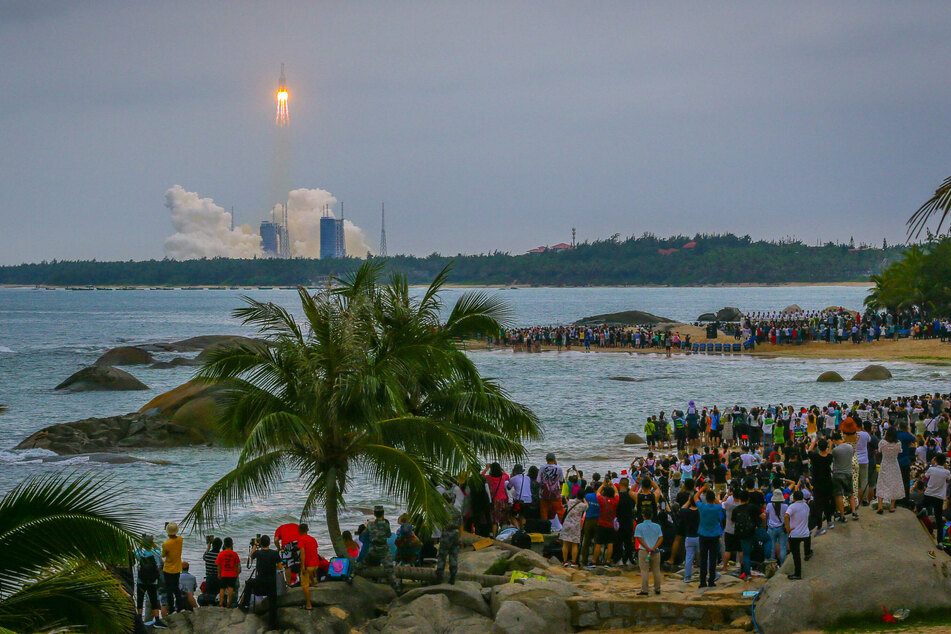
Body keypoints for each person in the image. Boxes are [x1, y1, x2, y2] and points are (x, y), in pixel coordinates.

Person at [357, 506, 399, 590]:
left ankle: (351, 576)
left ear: (374, 514)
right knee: (389, 569)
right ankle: (396, 588)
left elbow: (363, 536)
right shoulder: (385, 524)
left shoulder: (370, 525)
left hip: (373, 549)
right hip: (383, 549)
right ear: (383, 513)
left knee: (361, 565)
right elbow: (388, 535)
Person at [250, 534, 283, 629]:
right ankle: (272, 625)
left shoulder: (258, 553)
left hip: (260, 583)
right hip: (271, 582)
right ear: (269, 543)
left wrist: (255, 545)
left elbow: (251, 556)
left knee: (249, 583)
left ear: (261, 543)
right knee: (273, 603)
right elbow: (280, 567)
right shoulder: (274, 553)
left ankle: (245, 607)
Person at [135, 534, 167, 628]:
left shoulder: (140, 553)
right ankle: (157, 620)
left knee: (140, 599)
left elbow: (136, 553)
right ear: (152, 543)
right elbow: (158, 550)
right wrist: (152, 542)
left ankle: (140, 619)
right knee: (153, 599)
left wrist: (141, 544)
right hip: (153, 581)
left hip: (141, 580)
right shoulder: (156, 553)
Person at [696, 486, 723, 588]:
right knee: (713, 559)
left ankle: (702, 581)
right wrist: (713, 496)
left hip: (703, 535)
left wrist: (702, 489)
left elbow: (695, 497)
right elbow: (719, 503)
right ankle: (711, 580)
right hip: (715, 535)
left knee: (703, 559)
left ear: (706, 498)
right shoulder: (718, 508)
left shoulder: (702, 507)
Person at [434, 489, 463, 584]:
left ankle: (439, 576)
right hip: (456, 534)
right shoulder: (457, 511)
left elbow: (438, 523)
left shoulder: (443, 511)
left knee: (442, 555)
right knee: (453, 556)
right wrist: (460, 537)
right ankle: (453, 577)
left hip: (446, 534)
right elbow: (461, 525)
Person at [634, 509, 664, 596]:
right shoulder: (657, 526)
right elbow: (661, 537)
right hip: (655, 551)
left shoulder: (639, 526)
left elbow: (639, 538)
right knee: (656, 570)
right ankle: (657, 588)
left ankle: (645, 589)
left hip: (644, 550)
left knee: (644, 571)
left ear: (643, 515)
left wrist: (647, 547)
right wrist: (654, 547)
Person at [784, 489, 811, 580]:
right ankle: (807, 553)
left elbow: (786, 515)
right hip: (805, 533)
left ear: (794, 497)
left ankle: (797, 573)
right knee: (807, 541)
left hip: (794, 534)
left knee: (796, 555)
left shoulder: (792, 506)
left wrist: (787, 528)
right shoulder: (806, 506)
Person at [922, 454, 951, 542]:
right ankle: (940, 542)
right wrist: (945, 466)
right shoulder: (946, 472)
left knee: (922, 505)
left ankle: (922, 510)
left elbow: (925, 476)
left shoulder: (931, 469)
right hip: (939, 497)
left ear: (936, 461)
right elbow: (949, 478)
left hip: (929, 494)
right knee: (939, 519)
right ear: (944, 462)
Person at [877, 427, 905, 513]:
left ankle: (880, 506)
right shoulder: (898, 443)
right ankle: (892, 506)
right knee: (894, 484)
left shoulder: (882, 442)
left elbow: (879, 450)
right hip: (894, 465)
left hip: (885, 464)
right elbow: (900, 451)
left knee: (882, 483)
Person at [592, 482, 619, 567]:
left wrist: (603, 484)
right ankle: (607, 562)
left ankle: (593, 561)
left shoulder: (602, 500)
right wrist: (612, 484)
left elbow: (598, 493)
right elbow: (617, 493)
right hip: (611, 525)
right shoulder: (615, 501)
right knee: (610, 544)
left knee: (598, 543)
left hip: (601, 524)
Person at [161, 522, 185, 614]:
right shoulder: (180, 539)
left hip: (168, 569)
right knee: (176, 588)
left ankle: (171, 609)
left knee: (169, 590)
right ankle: (180, 607)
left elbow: (163, 555)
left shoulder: (166, 543)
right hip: (177, 567)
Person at [560, 488, 588, 568]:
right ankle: (573, 562)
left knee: (565, 543)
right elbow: (587, 506)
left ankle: (565, 561)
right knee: (574, 544)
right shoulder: (583, 505)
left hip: (567, 524)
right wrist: (584, 499)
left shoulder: (571, 501)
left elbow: (567, 502)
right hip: (575, 525)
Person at [297, 523, 321, 610]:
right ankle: (313, 582)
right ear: (307, 530)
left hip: (308, 566)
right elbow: (315, 551)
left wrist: (303, 566)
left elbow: (302, 553)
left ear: (299, 531)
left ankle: (308, 605)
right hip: (316, 565)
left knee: (304, 585)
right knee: (309, 572)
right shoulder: (313, 539)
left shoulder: (301, 539)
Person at [538, 453, 565, 522]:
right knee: (560, 510)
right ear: (554, 459)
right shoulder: (558, 468)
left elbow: (538, 481)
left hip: (544, 493)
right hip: (555, 493)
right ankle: (562, 524)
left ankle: (545, 525)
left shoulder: (542, 468)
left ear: (546, 459)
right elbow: (562, 480)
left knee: (544, 511)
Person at [215, 537, 241, 608]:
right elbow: (236, 565)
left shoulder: (221, 554)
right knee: (231, 589)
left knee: (222, 589)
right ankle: (229, 603)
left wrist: (219, 573)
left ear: (224, 545)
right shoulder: (234, 554)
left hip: (224, 574)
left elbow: (218, 565)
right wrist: (236, 573)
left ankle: (220, 603)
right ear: (232, 544)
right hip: (232, 574)